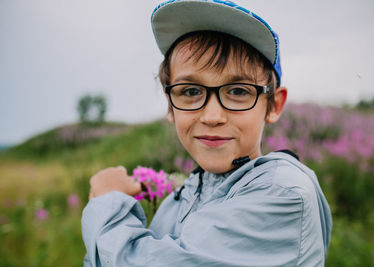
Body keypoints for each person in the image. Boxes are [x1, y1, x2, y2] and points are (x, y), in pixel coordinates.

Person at [82, 1, 332, 266]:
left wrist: (108, 204)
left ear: (274, 105)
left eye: (238, 91)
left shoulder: (283, 192)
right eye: (190, 91)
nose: (212, 117)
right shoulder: (179, 199)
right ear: (170, 105)